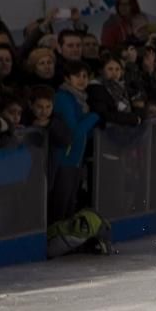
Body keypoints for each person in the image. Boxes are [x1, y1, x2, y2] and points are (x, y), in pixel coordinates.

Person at [52, 60, 100, 224]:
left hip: (75, 159)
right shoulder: (63, 98)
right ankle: (55, 238)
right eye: (77, 76)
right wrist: (94, 116)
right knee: (61, 203)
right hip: (63, 159)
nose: (82, 79)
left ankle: (64, 238)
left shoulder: (80, 100)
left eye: (85, 76)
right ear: (67, 78)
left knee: (71, 202)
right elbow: (74, 132)